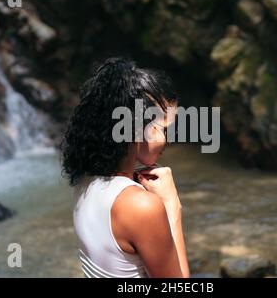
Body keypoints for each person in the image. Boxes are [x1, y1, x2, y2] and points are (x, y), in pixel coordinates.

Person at [61, 57, 190, 278]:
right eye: (164, 129)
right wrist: (171, 205)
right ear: (138, 127)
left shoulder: (84, 182)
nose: (169, 140)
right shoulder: (141, 206)